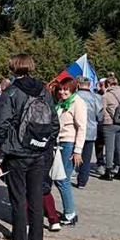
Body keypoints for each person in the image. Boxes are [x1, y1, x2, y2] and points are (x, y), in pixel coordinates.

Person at [0, 54, 59, 240]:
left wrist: (3, 150)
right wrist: (44, 146)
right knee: (35, 200)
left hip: (17, 153)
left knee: (18, 201)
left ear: (13, 68)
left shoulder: (11, 92)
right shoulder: (44, 91)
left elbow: (2, 125)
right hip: (39, 153)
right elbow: (54, 124)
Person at [53, 78, 86, 226]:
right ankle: (68, 211)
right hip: (59, 143)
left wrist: (78, 150)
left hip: (69, 144)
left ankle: (70, 213)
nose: (62, 92)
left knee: (62, 179)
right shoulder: (62, 102)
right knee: (59, 179)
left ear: (72, 89)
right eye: (60, 89)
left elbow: (82, 127)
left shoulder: (77, 103)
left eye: (65, 89)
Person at [101, 74, 120, 181]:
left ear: (108, 84)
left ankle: (108, 171)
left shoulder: (106, 96)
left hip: (110, 124)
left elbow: (102, 110)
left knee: (109, 148)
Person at [75, 76, 103, 188]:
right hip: (90, 130)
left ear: (78, 84)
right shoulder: (96, 97)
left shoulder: (74, 96)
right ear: (89, 85)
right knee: (86, 158)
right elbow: (100, 115)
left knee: (73, 153)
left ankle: (70, 173)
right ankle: (82, 181)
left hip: (76, 129)